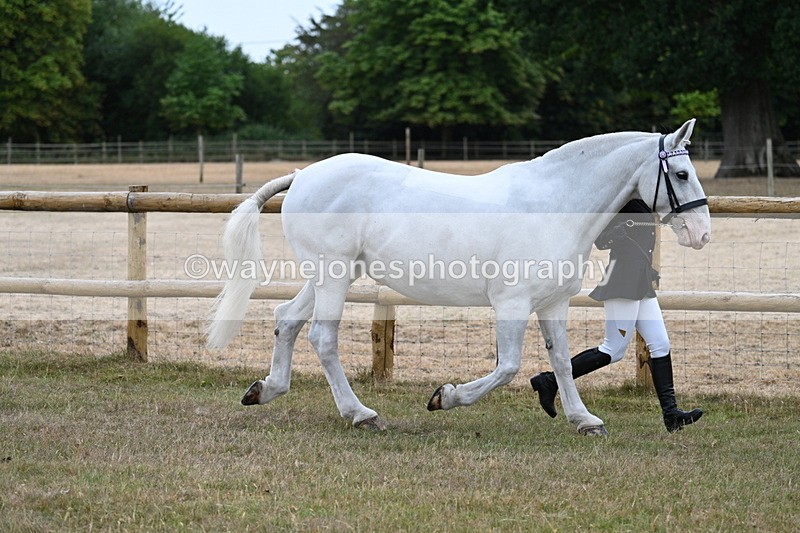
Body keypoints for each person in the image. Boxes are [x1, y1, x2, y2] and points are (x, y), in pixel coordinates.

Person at [529, 198, 703, 432]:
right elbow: (600, 240)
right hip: (622, 279)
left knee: (660, 344)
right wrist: (616, 233)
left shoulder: (644, 198)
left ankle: (671, 414)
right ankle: (549, 381)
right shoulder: (618, 198)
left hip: (640, 280)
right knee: (613, 349)